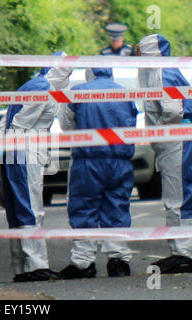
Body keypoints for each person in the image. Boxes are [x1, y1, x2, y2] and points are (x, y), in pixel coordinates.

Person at [0, 52, 72, 282]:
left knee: (17, 210)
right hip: (26, 152)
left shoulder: (30, 85)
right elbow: (21, 122)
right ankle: (37, 265)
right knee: (31, 208)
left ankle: (22, 267)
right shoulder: (44, 88)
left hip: (13, 151)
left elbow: (6, 120)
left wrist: (0, 147)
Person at [57, 67, 138, 279]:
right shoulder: (125, 93)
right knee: (118, 207)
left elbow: (66, 124)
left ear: (89, 72)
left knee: (84, 207)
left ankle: (83, 263)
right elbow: (132, 124)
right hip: (120, 160)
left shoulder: (78, 92)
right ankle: (119, 262)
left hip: (88, 159)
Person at [136, 34, 192, 274]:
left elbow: (173, 111)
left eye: (140, 51)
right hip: (175, 141)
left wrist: (163, 135)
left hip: (179, 141)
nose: (137, 56)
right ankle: (182, 251)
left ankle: (184, 254)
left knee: (179, 198)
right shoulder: (158, 73)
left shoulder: (163, 73)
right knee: (176, 198)